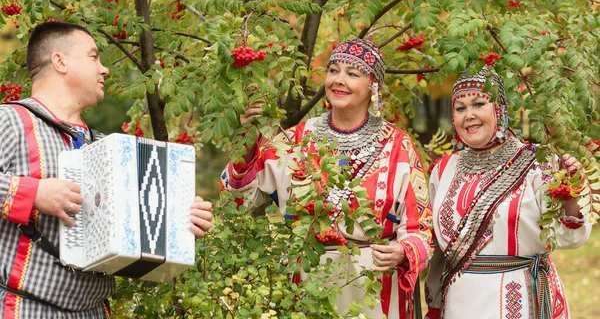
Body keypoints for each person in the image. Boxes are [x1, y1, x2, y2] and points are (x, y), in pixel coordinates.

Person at [0, 21, 213, 318]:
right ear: (60, 61)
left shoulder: (103, 147)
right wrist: (33, 193)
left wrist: (181, 222)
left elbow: (129, 243)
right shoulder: (10, 120)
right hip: (25, 308)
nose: (105, 69)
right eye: (93, 57)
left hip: (95, 312)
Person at [221, 38, 433, 318]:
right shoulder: (296, 139)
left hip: (374, 287)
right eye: (333, 70)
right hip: (308, 282)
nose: (339, 80)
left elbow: (422, 229)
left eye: (352, 73)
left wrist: (403, 251)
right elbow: (238, 198)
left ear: (373, 86)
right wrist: (249, 140)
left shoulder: (398, 146)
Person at [424, 66, 592, 319]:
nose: (469, 115)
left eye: (478, 104)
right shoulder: (443, 169)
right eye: (460, 108)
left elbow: (568, 239)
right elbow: (435, 247)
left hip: (518, 298)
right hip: (459, 302)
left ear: (499, 109)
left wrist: (572, 193)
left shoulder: (538, 162)